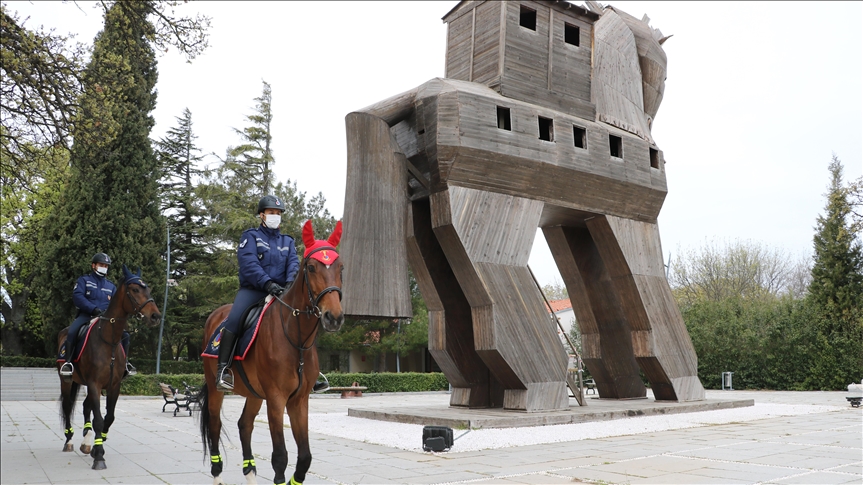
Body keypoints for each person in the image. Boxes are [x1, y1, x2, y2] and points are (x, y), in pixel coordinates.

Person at [216, 195, 300, 391]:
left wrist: (289, 285)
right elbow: (249, 264)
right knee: (234, 319)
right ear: (262, 215)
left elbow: (293, 264)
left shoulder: (288, 241)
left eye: (278, 213)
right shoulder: (251, 237)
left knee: (303, 320)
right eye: (271, 212)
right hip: (254, 290)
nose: (275, 216)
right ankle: (223, 370)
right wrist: (268, 283)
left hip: (282, 293)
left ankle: (310, 371)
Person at [60, 253, 136, 378]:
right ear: (93, 265)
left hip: (106, 319)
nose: (104, 268)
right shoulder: (84, 281)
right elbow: (78, 297)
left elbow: (116, 304)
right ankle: (68, 363)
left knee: (125, 335)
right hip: (87, 316)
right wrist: (93, 309)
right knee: (73, 331)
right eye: (101, 265)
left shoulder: (111, 286)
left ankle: (125, 363)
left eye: (106, 266)